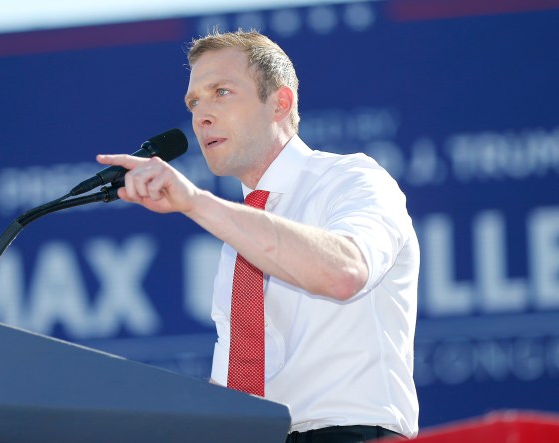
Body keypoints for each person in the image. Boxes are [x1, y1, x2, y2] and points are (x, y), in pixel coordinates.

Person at [97, 30, 419, 442]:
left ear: (280, 103)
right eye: (194, 102)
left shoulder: (351, 179)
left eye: (222, 92)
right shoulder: (241, 231)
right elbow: (238, 385)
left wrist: (194, 201)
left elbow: (345, 272)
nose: (201, 115)